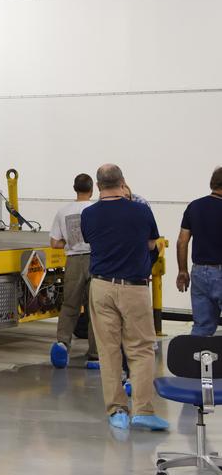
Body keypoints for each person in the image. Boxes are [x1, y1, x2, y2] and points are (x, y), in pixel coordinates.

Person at [81, 163, 169, 431]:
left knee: (108, 351)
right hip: (134, 287)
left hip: (101, 287)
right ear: (123, 182)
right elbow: (152, 244)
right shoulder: (141, 211)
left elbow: (92, 242)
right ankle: (142, 410)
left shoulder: (89, 215)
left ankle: (117, 411)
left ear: (98, 186)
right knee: (141, 349)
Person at [49, 173, 99, 369]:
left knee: (70, 306)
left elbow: (54, 243)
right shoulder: (96, 210)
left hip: (73, 260)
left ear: (74, 188)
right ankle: (95, 356)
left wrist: (70, 242)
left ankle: (62, 342)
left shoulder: (63, 211)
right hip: (95, 260)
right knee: (94, 309)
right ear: (92, 189)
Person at [176, 166, 222, 336]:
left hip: (199, 272)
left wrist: (182, 270)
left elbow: (182, 242)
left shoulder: (194, 206)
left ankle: (198, 361)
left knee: (201, 327)